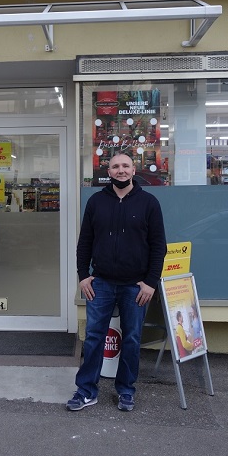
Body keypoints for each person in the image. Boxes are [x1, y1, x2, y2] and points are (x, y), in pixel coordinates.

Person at [67, 152, 166, 412]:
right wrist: (83, 275)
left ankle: (125, 390)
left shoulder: (149, 203)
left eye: (125, 166)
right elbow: (84, 243)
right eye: (115, 166)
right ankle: (86, 390)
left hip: (136, 286)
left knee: (132, 339)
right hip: (100, 283)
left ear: (134, 170)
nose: (120, 170)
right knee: (93, 337)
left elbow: (158, 247)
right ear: (108, 172)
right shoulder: (96, 202)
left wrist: (150, 283)